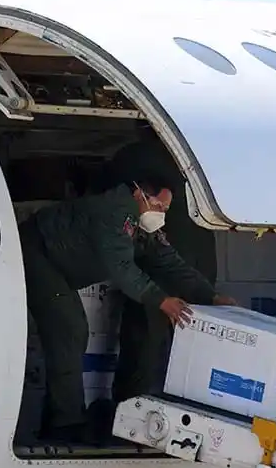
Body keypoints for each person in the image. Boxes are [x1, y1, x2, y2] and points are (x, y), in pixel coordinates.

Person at [19, 165, 232, 443]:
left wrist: (210, 296)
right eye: (159, 206)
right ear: (140, 195)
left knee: (70, 330)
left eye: (166, 209)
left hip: (59, 265)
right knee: (69, 330)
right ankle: (63, 424)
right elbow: (122, 268)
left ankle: (66, 419)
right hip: (39, 254)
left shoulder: (142, 225)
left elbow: (168, 262)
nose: (162, 213)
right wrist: (161, 300)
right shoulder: (113, 214)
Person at [106, 141, 231, 405]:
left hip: (174, 271)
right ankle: (132, 413)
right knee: (151, 348)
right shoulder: (196, 157)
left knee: (149, 348)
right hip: (165, 274)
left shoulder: (142, 157)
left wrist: (210, 294)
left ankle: (132, 411)